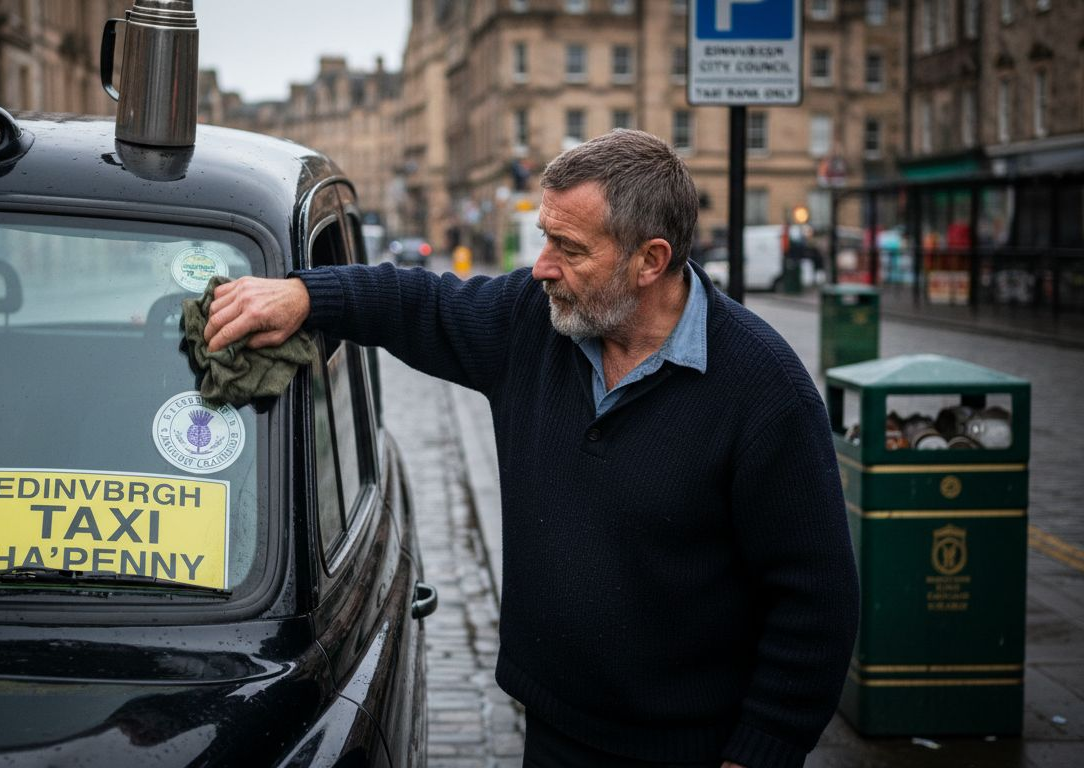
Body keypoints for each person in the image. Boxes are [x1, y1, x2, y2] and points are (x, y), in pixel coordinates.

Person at [203, 129, 859, 768]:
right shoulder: (532, 323)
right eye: (546, 238)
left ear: (650, 260)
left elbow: (817, 602)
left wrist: (762, 752)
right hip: (553, 729)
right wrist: (306, 294)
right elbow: (422, 302)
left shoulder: (763, 391)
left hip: (695, 747)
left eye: (569, 248)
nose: (542, 266)